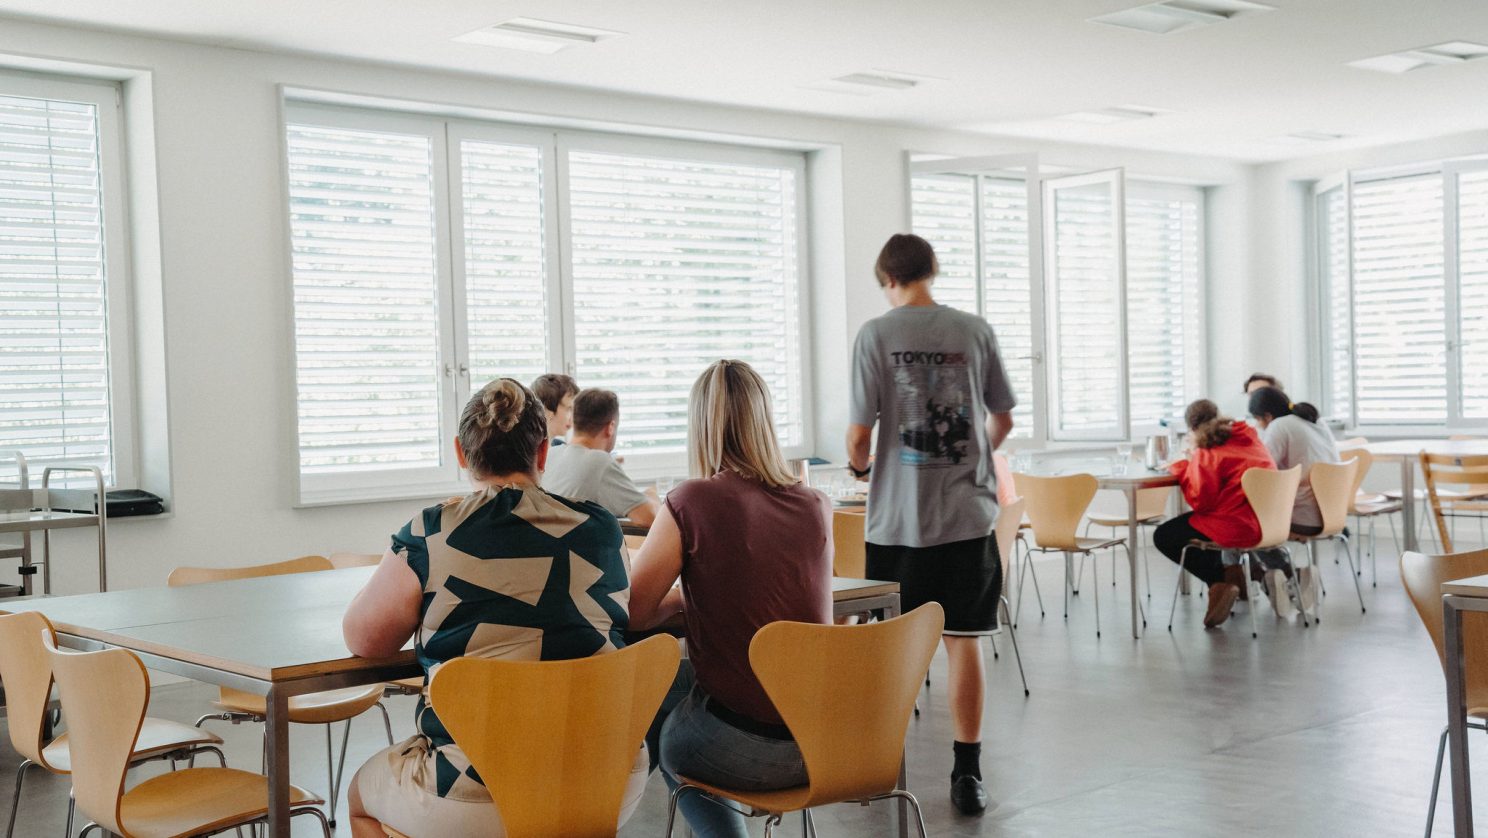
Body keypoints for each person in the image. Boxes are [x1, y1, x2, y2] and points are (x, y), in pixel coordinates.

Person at [342, 379, 643, 838]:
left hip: (477, 792)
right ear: (544, 453)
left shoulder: (430, 533)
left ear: (462, 454)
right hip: (608, 777)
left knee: (361, 799)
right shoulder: (601, 528)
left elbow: (365, 641)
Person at [846, 233, 1015, 815]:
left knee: (893, 650)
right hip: (968, 518)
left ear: (886, 278)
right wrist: (973, 457)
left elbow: (860, 435)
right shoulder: (974, 330)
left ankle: (878, 766)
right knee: (963, 643)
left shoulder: (876, 334)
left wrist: (860, 467)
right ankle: (967, 773)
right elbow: (1004, 418)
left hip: (897, 523)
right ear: (931, 271)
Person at [629, 359, 832, 838]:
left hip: (749, 749)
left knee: (653, 696)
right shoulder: (815, 504)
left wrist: (684, 601)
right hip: (829, 740)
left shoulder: (690, 500)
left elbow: (635, 614)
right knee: (679, 683)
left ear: (701, 424)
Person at [1153, 399, 1277, 628]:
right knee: (1195, 527)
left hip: (1235, 525)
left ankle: (1219, 582)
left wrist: (1182, 467)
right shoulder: (1249, 438)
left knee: (1164, 535)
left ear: (1191, 429)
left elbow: (1201, 501)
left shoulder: (1208, 450)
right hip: (1268, 521)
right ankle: (1236, 575)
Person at [1248, 386, 1339, 615]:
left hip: (1302, 514)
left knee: (1241, 524)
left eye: (1258, 420)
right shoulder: (1314, 421)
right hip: (1331, 512)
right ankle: (1271, 581)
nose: (1259, 426)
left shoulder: (1280, 426)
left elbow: (1263, 468)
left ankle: (1281, 578)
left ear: (1266, 416)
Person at [542, 388, 659, 528]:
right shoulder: (600, 462)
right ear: (610, 427)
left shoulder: (551, 455)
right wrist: (652, 495)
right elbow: (648, 518)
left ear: (572, 421)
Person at [531, 373, 579, 444]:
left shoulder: (560, 446)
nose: (573, 417)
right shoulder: (526, 452)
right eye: (569, 409)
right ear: (546, 409)